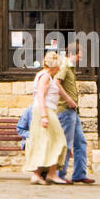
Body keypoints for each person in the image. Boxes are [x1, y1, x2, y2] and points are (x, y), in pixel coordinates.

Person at [22, 51, 68, 185]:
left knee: (46, 141)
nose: (59, 69)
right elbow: (41, 96)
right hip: (45, 110)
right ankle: (51, 174)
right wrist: (44, 116)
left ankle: (40, 174)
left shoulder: (44, 75)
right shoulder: (46, 77)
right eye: (58, 66)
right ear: (54, 66)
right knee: (59, 140)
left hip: (46, 110)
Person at [56, 40, 95, 184]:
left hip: (73, 111)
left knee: (81, 142)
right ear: (72, 53)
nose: (81, 59)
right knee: (67, 143)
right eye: (80, 55)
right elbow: (56, 83)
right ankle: (60, 175)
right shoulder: (64, 66)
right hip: (66, 110)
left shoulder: (70, 67)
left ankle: (79, 173)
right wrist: (68, 99)